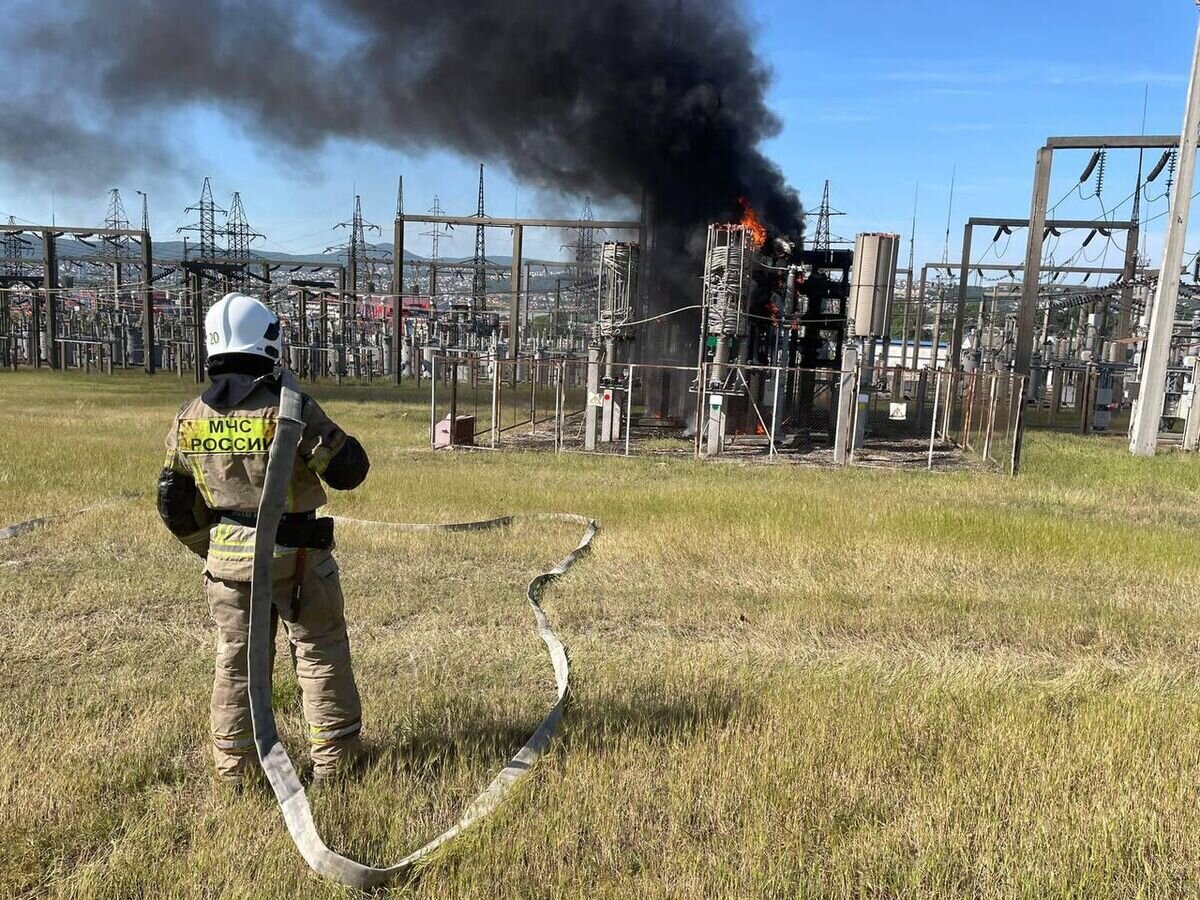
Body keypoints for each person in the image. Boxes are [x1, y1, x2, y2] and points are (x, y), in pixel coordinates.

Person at [156, 292, 370, 785]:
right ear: (270, 341)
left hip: (227, 564)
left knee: (234, 663)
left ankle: (235, 768)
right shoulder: (291, 410)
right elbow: (349, 471)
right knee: (319, 651)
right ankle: (335, 765)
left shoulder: (189, 417)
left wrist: (209, 547)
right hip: (298, 559)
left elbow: (172, 500)